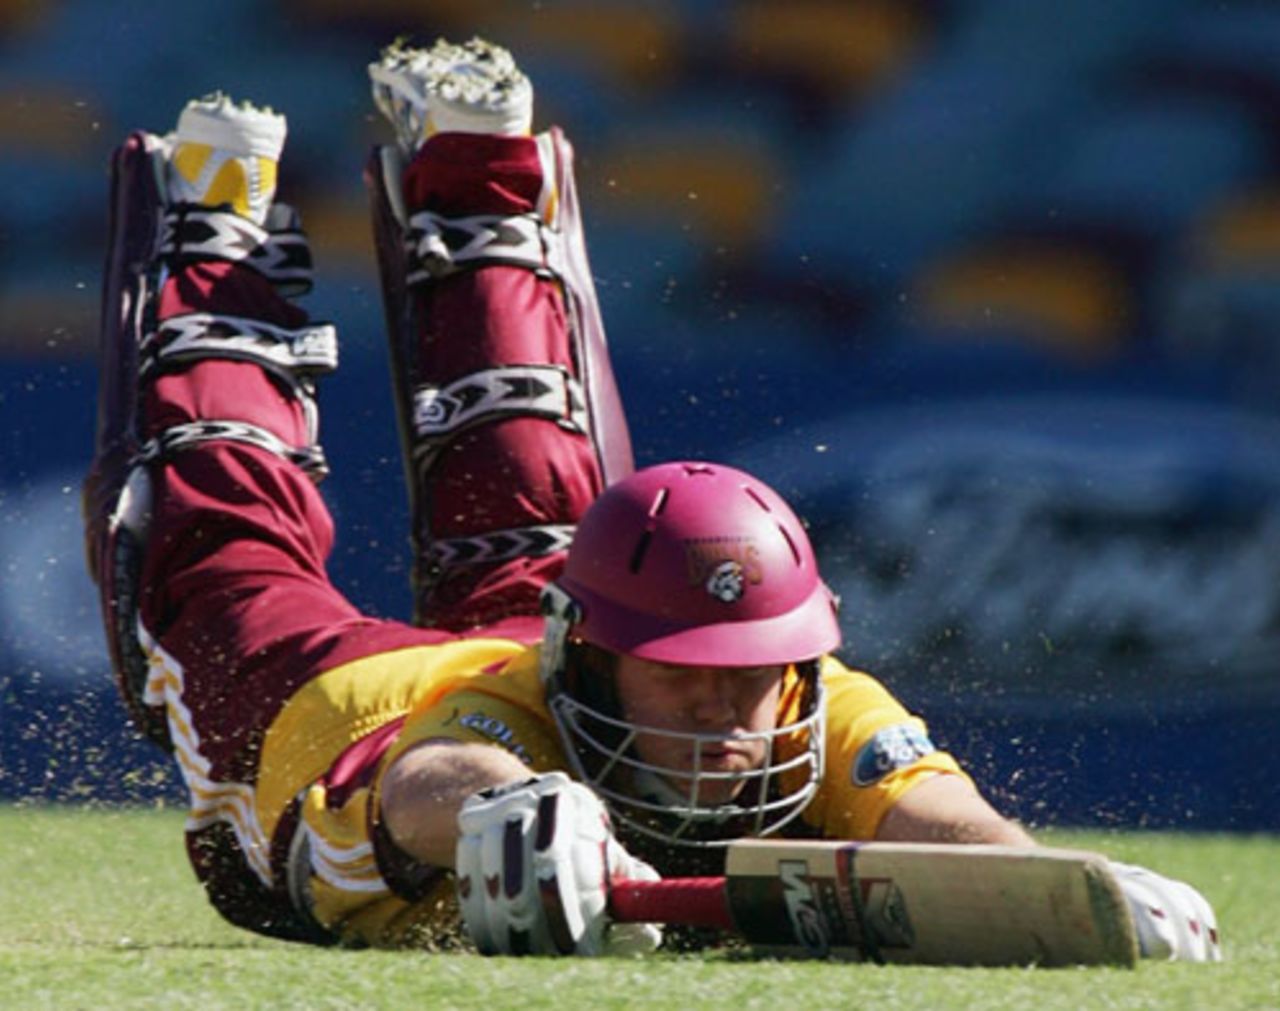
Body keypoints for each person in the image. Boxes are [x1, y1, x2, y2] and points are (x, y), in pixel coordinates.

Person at [83, 37, 1219, 961]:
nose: (725, 712)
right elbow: (434, 777)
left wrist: (1058, 886)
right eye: (683, 676)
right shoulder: (499, 722)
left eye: (747, 675)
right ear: (585, 656)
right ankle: (215, 231)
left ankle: (481, 171)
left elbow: (936, 818)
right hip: (346, 702)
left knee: (534, 500)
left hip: (538, 641)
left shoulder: (807, 692)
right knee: (218, 552)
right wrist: (506, 811)